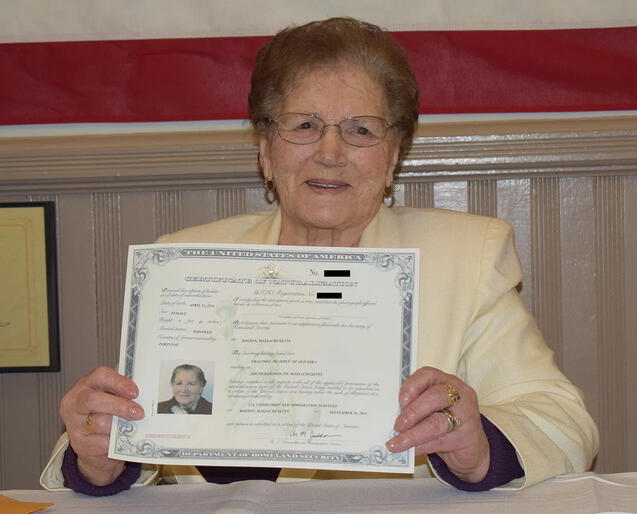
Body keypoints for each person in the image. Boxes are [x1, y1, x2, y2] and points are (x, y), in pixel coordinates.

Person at [40, 17, 598, 495]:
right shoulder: (185, 264)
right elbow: (123, 436)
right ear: (265, 149)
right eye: (304, 126)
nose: (330, 153)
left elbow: (563, 421)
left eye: (361, 130)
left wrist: (477, 448)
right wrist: (100, 454)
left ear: (393, 154)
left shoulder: (465, 255)